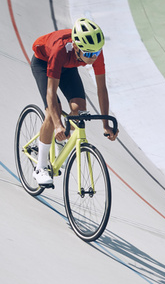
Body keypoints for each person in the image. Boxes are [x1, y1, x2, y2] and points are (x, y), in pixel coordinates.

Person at [30, 18, 118, 186]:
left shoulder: (94, 51)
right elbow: (51, 92)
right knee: (51, 112)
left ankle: (60, 140)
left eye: (97, 53)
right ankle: (40, 167)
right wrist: (57, 124)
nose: (93, 58)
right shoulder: (60, 49)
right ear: (77, 47)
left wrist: (106, 125)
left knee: (80, 109)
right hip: (44, 63)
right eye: (89, 54)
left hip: (68, 67)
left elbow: (102, 89)